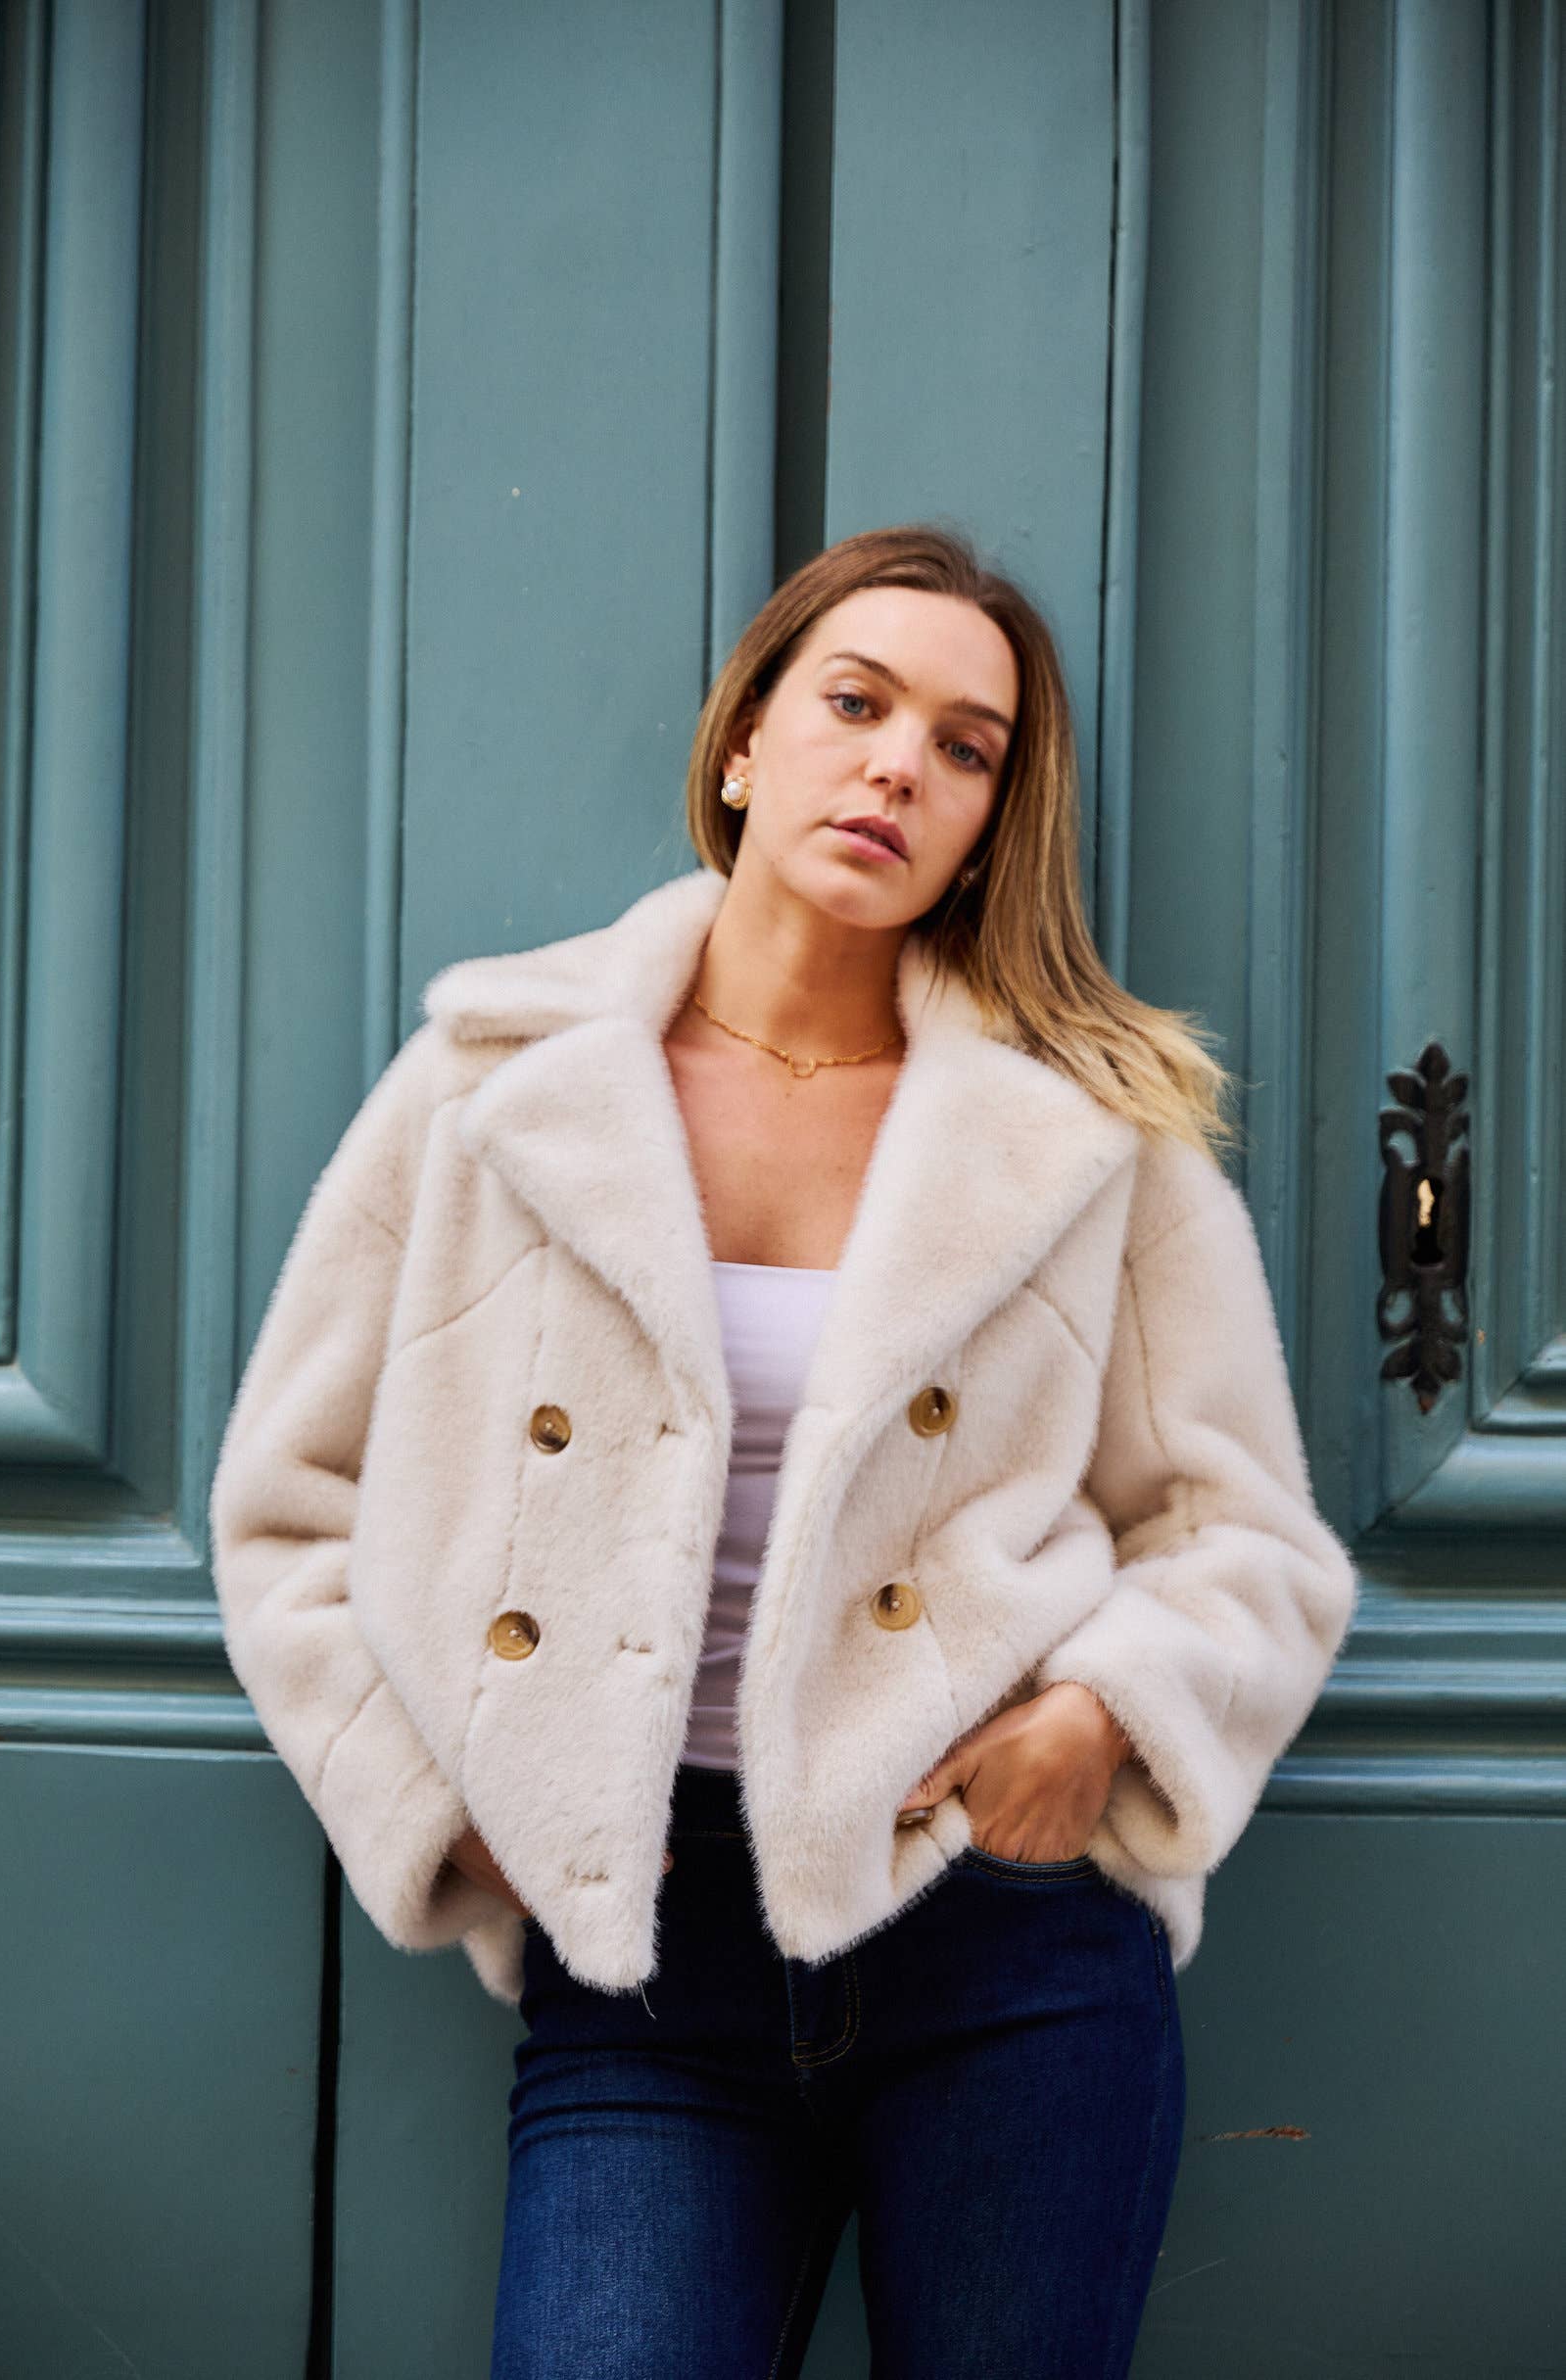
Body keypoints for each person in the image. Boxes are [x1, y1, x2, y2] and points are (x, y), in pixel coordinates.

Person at [208, 523, 1358, 2377]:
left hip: (1005, 1942)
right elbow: (288, 1512)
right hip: (645, 1957)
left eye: (966, 749)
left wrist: (1100, 1720)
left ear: (988, 824)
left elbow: (1248, 1537)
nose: (900, 766)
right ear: (745, 740)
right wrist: (452, 1811)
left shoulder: (1086, 1136)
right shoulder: (497, 1085)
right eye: (857, 703)